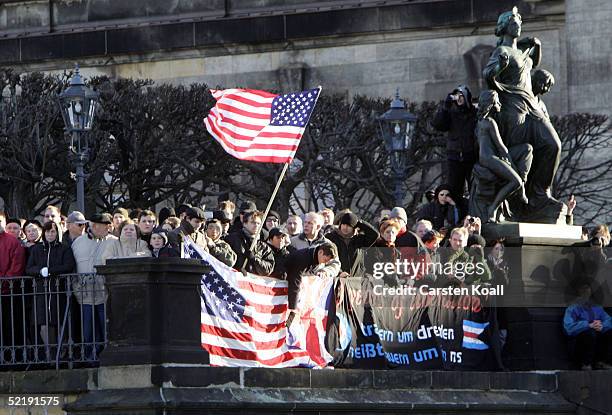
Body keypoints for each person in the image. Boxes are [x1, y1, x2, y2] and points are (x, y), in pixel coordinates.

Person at [483, 7, 562, 214]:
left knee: (553, 145)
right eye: (514, 22)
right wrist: (499, 67)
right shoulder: (502, 52)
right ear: (505, 27)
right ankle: (518, 198)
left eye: (519, 22)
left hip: (532, 107)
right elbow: (488, 76)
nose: (518, 25)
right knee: (521, 150)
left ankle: (541, 194)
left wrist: (537, 45)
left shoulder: (522, 53)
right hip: (513, 107)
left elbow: (532, 61)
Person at [475, 89, 529, 222]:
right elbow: (500, 146)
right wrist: (509, 160)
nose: (499, 103)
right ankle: (493, 208)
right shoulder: (489, 122)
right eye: (497, 101)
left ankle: (522, 187)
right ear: (492, 103)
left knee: (527, 149)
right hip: (489, 158)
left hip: (487, 157)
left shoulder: (480, 122)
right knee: (516, 181)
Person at [71, 212, 117, 359]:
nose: (108, 228)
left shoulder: (114, 241)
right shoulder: (78, 242)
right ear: (95, 226)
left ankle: (106, 355)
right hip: (84, 294)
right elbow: (73, 268)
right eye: (106, 226)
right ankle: (89, 356)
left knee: (106, 327)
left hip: (106, 293)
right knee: (87, 329)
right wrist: (77, 289)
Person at [26, 221, 76, 356]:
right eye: (47, 232)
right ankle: (50, 352)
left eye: (53, 231)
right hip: (42, 291)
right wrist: (40, 271)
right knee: (43, 324)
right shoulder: (37, 249)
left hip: (58, 290)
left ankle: (62, 352)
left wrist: (50, 271)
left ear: (57, 233)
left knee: (59, 321)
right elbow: (29, 268)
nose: (50, 234)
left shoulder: (64, 248)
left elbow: (68, 265)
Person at [431, 85, 477, 197]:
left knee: (474, 188)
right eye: (456, 96)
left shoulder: (474, 113)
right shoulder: (451, 114)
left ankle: (473, 212)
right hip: (454, 157)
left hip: (471, 156)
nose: (458, 99)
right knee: (455, 190)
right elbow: (438, 125)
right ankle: (457, 213)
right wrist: (445, 108)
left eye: (461, 96)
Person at [563, 284, 612, 370]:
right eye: (583, 293)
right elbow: (569, 328)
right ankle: (586, 363)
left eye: (588, 294)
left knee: (609, 333)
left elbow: (608, 320)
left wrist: (602, 326)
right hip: (580, 342)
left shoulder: (597, 308)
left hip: (597, 338)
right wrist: (588, 325)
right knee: (590, 334)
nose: (586, 297)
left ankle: (603, 362)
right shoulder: (572, 309)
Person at [286, 242, 341, 309]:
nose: (325, 263)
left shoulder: (316, 258)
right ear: (320, 252)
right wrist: (293, 308)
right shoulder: (303, 258)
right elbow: (295, 282)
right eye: (325, 260)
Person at [225, 210, 275, 276]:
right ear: (245, 223)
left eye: (258, 223)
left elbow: (268, 270)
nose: (256, 225)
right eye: (253, 222)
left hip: (252, 283)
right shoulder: (232, 239)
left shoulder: (264, 247)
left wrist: (254, 259)